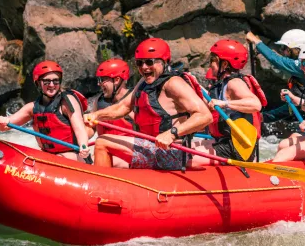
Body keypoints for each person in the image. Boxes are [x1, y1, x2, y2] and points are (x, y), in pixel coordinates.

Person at [84, 38, 213, 170]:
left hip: (171, 152)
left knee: (102, 142)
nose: (144, 67)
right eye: (139, 63)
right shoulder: (144, 82)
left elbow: (205, 116)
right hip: (151, 147)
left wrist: (172, 133)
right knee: (103, 141)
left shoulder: (174, 83)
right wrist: (96, 115)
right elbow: (123, 107)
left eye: (149, 62)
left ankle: (103, 188)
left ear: (164, 62)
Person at [0, 61, 90, 162]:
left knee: (55, 159)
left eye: (55, 81)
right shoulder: (32, 107)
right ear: (38, 83)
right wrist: (2, 122)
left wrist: (83, 146)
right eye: (46, 81)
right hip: (48, 155)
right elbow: (5, 127)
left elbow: (79, 129)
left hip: (74, 155)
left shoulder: (67, 101)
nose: (51, 85)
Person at [204, 39, 267, 162]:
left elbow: (255, 104)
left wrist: (224, 103)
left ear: (225, 64)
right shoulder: (222, 84)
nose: (210, 64)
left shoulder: (234, 83)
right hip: (225, 142)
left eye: (213, 60)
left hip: (237, 149)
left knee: (187, 158)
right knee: (187, 147)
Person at [246, 30, 305, 124]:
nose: (282, 51)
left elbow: (276, 60)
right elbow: (294, 104)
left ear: (292, 49)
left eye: (283, 47)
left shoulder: (303, 66)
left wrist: (257, 42)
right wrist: (265, 117)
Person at [87, 59, 134, 139]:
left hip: (130, 149)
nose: (98, 83)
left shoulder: (135, 98)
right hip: (104, 148)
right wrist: (82, 138)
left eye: (102, 80)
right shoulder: (99, 101)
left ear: (116, 80)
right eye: (98, 80)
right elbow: (91, 127)